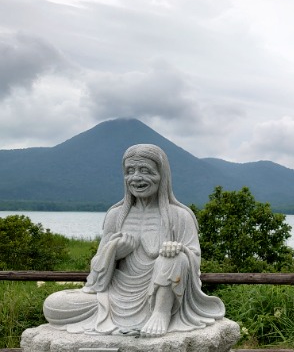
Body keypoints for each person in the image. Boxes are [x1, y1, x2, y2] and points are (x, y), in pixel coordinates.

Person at [44, 143, 224, 337]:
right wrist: (113, 253)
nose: (136, 177)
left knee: (175, 256)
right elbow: (96, 273)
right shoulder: (116, 215)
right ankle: (122, 320)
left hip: (160, 297)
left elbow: (194, 261)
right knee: (53, 305)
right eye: (130, 171)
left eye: (145, 170)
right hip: (114, 297)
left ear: (162, 175)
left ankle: (160, 314)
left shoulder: (179, 216)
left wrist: (178, 250)